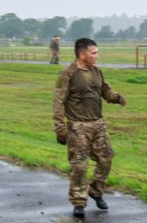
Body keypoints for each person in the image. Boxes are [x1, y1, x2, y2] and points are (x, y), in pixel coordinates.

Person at [52, 38, 126, 219]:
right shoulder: (67, 74)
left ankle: (95, 190)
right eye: (94, 53)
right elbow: (58, 102)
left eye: (97, 53)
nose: (97, 56)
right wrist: (60, 128)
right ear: (82, 54)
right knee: (80, 166)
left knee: (106, 158)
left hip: (98, 124)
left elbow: (105, 90)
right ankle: (78, 202)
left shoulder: (96, 71)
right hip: (78, 126)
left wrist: (115, 97)